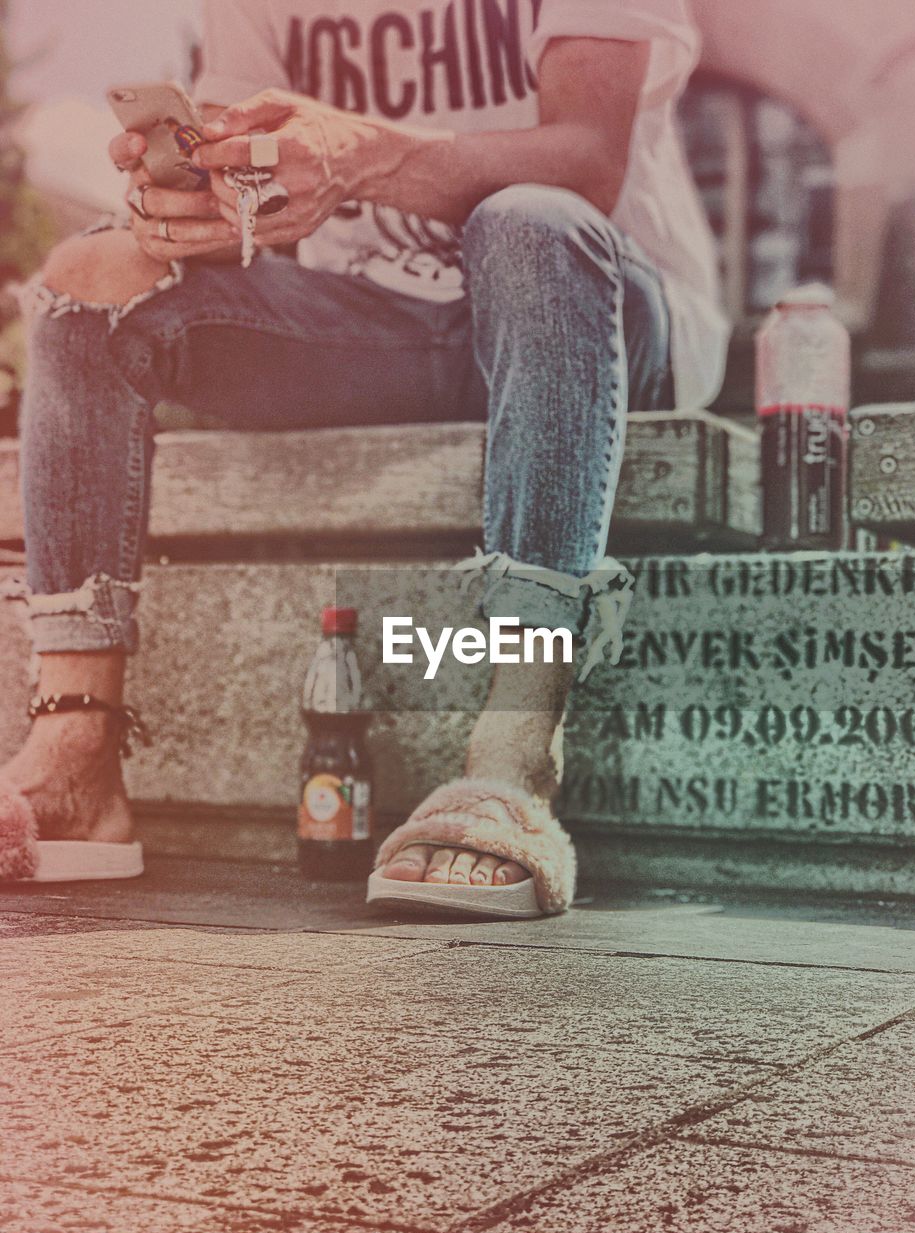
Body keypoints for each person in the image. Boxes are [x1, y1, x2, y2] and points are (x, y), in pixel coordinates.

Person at [0, 0, 727, 915]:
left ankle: (512, 760)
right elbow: (269, 206)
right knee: (86, 279)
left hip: (582, 309)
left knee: (528, 223)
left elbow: (587, 158)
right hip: (376, 318)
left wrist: (361, 157)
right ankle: (75, 756)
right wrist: (203, 203)